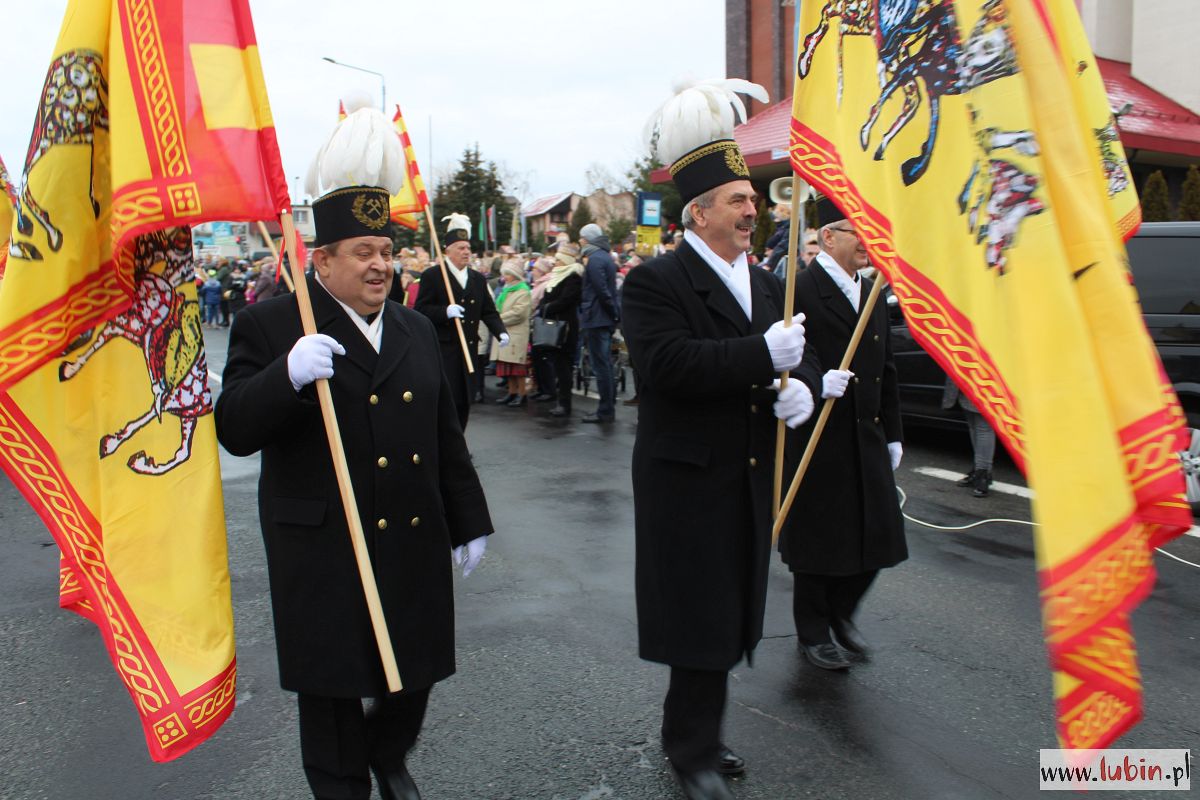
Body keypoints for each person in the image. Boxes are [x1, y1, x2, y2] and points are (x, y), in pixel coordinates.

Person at [214, 104, 494, 800]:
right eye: (364, 253)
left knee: (415, 667)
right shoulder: (272, 324)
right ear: (323, 260)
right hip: (325, 543)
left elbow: (443, 434)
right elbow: (234, 428)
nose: (381, 266)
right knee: (334, 687)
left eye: (387, 251)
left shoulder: (413, 327)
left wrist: (470, 518)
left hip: (411, 528)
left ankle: (389, 753)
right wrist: (285, 376)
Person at [623, 78, 812, 800]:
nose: (752, 209)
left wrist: (797, 387)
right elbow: (668, 365)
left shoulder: (763, 282)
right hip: (688, 479)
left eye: (753, 199)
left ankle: (700, 730)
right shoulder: (655, 282)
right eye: (737, 200)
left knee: (730, 611)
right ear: (698, 213)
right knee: (699, 617)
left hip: (746, 472)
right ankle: (691, 749)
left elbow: (786, 356)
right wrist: (762, 357)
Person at [777, 198, 906, 673]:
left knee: (879, 534)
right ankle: (813, 632)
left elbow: (886, 367)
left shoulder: (871, 290)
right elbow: (787, 356)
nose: (869, 242)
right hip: (819, 433)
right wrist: (814, 382)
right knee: (819, 541)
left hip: (866, 432)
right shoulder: (798, 290)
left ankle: (842, 612)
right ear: (829, 237)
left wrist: (893, 432)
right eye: (858, 231)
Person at [415, 213, 508, 430]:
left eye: (468, 248)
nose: (466, 252)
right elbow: (420, 310)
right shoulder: (434, 275)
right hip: (444, 350)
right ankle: (446, 443)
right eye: (460, 248)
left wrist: (500, 332)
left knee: (466, 401)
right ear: (448, 250)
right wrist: (444, 312)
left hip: (469, 349)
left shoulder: (477, 279)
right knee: (448, 401)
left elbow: (488, 311)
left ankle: (459, 442)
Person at [577, 223, 620, 423]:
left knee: (601, 365)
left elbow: (601, 291)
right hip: (602, 317)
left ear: (588, 239)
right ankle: (608, 407)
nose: (579, 241)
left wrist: (612, 313)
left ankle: (605, 410)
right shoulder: (604, 256)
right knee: (605, 365)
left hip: (597, 318)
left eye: (581, 237)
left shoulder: (594, 259)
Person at [538, 242, 584, 418]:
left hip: (565, 328)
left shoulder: (573, 277)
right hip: (554, 325)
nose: (554, 263)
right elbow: (547, 297)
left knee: (564, 367)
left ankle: (565, 404)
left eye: (557, 260)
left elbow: (565, 300)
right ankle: (560, 401)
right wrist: (544, 306)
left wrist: (546, 308)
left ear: (565, 261)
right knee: (558, 365)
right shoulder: (556, 276)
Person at [943, 377, 997, 496]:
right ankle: (980, 470)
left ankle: (983, 474)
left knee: (983, 428)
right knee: (974, 426)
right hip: (967, 379)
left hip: (983, 380)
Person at [491, 260, 532, 407]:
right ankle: (512, 392)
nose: (504, 277)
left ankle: (522, 394)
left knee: (517, 367)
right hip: (506, 332)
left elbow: (519, 313)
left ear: (515, 275)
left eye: (507, 274)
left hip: (515, 333)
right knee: (507, 366)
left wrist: (498, 319)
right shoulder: (507, 290)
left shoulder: (523, 291)